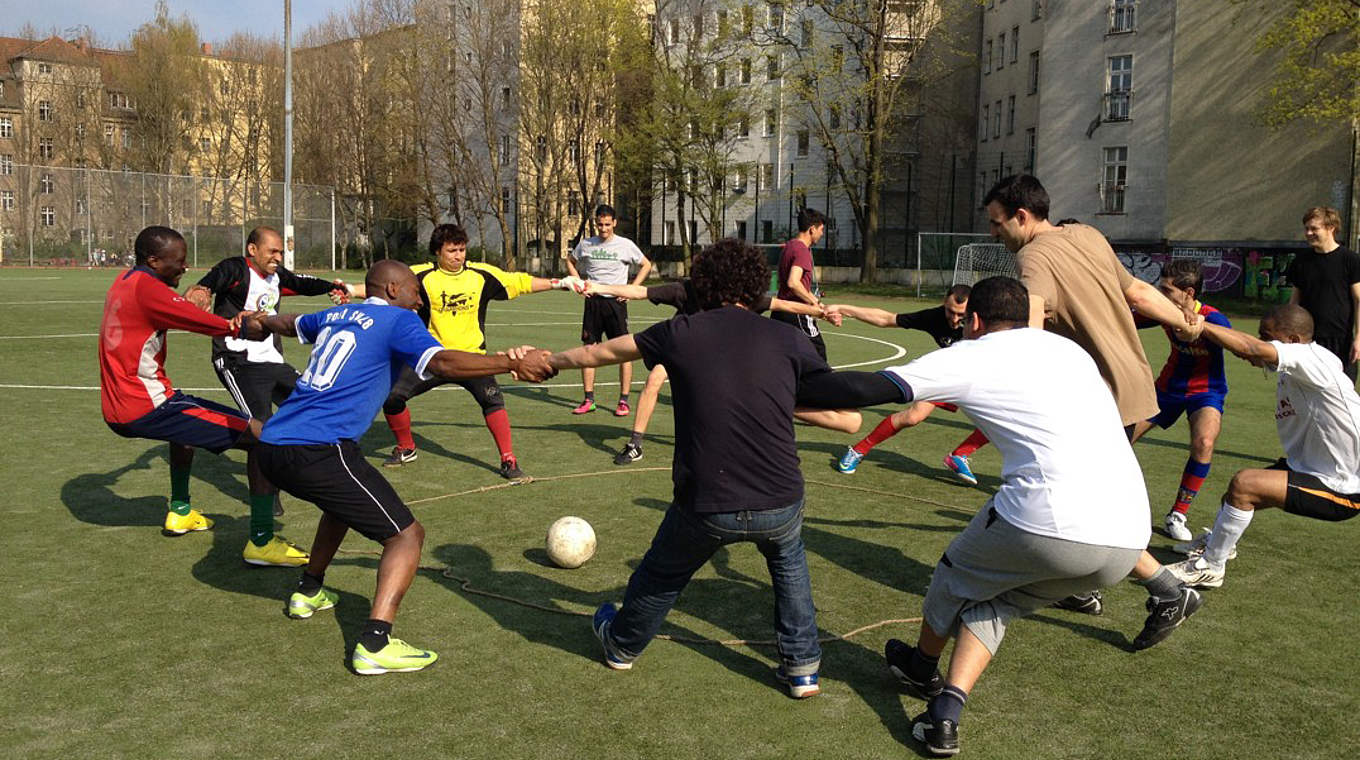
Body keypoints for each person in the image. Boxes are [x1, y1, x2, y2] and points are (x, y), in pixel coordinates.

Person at [547, 238, 895, 699]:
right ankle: (803, 669)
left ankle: (622, 644)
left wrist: (546, 362)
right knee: (790, 568)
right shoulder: (787, 338)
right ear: (756, 288)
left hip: (707, 501)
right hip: (780, 498)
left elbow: (599, 354)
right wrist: (778, 402)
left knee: (661, 575)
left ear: (702, 284)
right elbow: (849, 419)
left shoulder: (682, 332)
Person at [873, 277, 1198, 757]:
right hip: (1129, 537)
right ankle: (945, 714)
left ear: (976, 321)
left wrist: (796, 384)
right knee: (997, 600)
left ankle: (922, 666)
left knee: (953, 574)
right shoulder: (1070, 354)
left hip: (1047, 522)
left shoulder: (977, 352)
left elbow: (878, 385)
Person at [243, 260, 556, 675]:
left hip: (271, 446)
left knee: (340, 507)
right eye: (413, 287)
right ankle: (375, 642)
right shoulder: (396, 319)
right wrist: (510, 363)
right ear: (392, 288)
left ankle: (309, 589)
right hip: (319, 448)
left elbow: (290, 322)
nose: (419, 295)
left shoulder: (335, 314)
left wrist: (259, 320)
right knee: (406, 536)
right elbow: (442, 363)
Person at [985, 174, 1204, 626]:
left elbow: (1030, 328)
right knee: (1078, 500)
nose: (994, 233)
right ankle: (1084, 591)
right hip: (1133, 386)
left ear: (1021, 217)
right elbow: (1140, 292)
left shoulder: (1032, 259)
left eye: (997, 222)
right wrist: (1183, 323)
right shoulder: (1087, 234)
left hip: (1097, 399)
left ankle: (1168, 591)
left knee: (1092, 506)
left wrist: (1014, 385)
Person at [98, 225, 307, 567]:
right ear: (153, 260)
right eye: (177, 262)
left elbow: (176, 306)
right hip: (145, 406)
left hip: (125, 404)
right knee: (261, 435)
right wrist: (239, 326)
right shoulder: (150, 290)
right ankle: (262, 541)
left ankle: (180, 511)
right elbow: (199, 320)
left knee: (183, 434)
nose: (184, 268)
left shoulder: (125, 281)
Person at [345, 224, 582, 478]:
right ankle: (406, 447)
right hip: (433, 357)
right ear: (438, 251)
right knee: (391, 397)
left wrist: (560, 283)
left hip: (472, 358)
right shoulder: (421, 275)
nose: (458, 255)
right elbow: (385, 287)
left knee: (492, 400)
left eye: (461, 250)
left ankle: (509, 459)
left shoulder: (481, 275)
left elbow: (521, 282)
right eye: (451, 250)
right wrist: (350, 290)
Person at [1165, 303, 1360, 589]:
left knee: (1245, 485)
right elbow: (1249, 349)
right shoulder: (1301, 365)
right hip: (1308, 468)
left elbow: (1251, 348)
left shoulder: (1310, 359)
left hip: (1343, 487)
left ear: (1292, 340)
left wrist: (1201, 325)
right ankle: (1220, 545)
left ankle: (1211, 567)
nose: (1260, 341)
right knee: (1231, 499)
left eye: (1266, 336)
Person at [580, 277, 850, 464]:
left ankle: (750, 444)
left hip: (724, 357)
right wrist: (599, 286)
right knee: (654, 377)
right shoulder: (686, 291)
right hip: (683, 349)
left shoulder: (741, 298)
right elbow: (640, 292)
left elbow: (783, 304)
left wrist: (820, 312)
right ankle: (635, 444)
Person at [184, 226, 348, 521]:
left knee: (310, 405)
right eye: (272, 251)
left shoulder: (277, 275)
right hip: (237, 361)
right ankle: (267, 495)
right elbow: (210, 282)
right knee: (261, 430)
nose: (277, 257)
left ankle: (320, 473)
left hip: (272, 360)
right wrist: (200, 293)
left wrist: (330, 287)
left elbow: (301, 282)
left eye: (280, 252)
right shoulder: (235, 269)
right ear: (252, 250)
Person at [827, 285, 993, 484]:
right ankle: (858, 450)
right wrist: (844, 308)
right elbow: (886, 319)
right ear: (944, 303)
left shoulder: (987, 324)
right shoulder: (934, 317)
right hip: (948, 374)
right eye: (951, 312)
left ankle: (959, 455)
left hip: (982, 376)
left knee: (1001, 418)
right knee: (913, 417)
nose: (955, 320)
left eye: (961, 315)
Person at [1128, 260, 1232, 541]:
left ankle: (1178, 514)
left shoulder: (1215, 318)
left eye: (1165, 289)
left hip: (1207, 391)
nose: (1158, 293)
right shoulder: (1163, 312)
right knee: (1120, 439)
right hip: (1167, 389)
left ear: (1188, 292)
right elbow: (1125, 318)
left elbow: (1236, 343)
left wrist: (1203, 328)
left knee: (1204, 442)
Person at [566, 204, 652, 416]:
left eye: (607, 224)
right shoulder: (586, 244)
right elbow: (570, 261)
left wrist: (632, 288)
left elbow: (646, 265)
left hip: (616, 303)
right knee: (588, 350)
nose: (603, 229)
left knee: (624, 353)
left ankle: (623, 401)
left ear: (614, 223)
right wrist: (578, 283)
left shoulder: (625, 245)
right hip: (593, 302)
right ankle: (588, 399)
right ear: (595, 223)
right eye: (599, 224)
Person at [1286, 206, 1360, 381]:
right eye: (1307, 229)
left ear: (1330, 228)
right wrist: (1287, 333)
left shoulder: (1350, 260)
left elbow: (1359, 300)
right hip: (1307, 342)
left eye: (1314, 228)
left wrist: (1358, 338)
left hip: (1340, 342)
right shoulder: (1301, 262)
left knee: (1342, 400)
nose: (1309, 233)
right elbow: (1294, 302)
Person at [772, 207, 829, 360]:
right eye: (821, 229)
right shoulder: (802, 250)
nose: (822, 234)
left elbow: (799, 286)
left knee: (781, 356)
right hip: (797, 313)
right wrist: (812, 303)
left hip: (780, 311)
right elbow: (793, 283)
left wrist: (818, 302)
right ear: (812, 229)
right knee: (818, 355)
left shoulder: (790, 246)